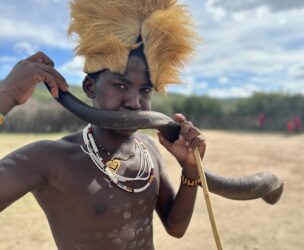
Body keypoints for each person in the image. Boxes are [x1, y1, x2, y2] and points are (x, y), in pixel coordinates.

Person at [0, 0, 205, 249]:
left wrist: (191, 172)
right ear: (89, 87)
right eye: (120, 85)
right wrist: (6, 96)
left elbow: (175, 228)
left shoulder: (148, 149)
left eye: (145, 90)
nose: (134, 103)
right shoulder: (51, 159)